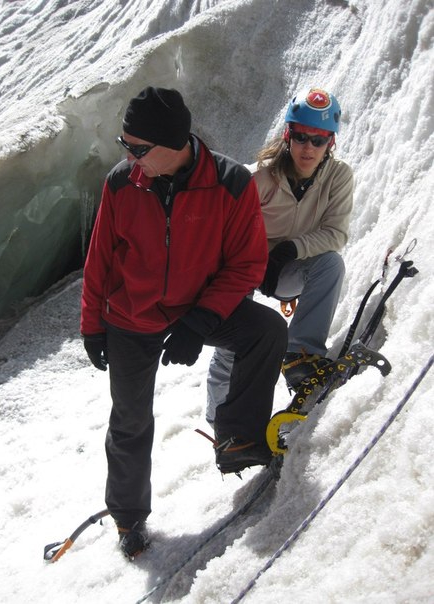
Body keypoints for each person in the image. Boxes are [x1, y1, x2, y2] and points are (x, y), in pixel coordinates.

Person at [80, 86, 287, 559]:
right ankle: (129, 518)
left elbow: (247, 265)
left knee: (267, 330)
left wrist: (202, 321)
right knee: (130, 421)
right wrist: (92, 325)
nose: (130, 157)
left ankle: (238, 438)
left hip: (199, 308)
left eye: (137, 148)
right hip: (131, 317)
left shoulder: (231, 184)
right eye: (124, 146)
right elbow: (100, 264)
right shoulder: (121, 183)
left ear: (173, 143)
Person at [207, 87, 354, 424]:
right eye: (302, 137)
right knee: (231, 340)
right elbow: (225, 227)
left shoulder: (338, 177)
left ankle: (301, 352)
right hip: (243, 264)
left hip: (290, 268)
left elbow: (336, 233)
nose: (308, 147)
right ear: (289, 135)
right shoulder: (259, 177)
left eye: (318, 140)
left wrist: (289, 250)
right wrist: (251, 262)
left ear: (330, 142)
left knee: (331, 264)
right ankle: (222, 423)